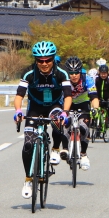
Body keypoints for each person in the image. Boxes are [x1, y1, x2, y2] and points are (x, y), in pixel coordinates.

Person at [13, 41, 71, 198]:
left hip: (54, 106)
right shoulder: (29, 73)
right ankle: (28, 179)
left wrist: (65, 113)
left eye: (48, 60)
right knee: (28, 145)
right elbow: (19, 95)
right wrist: (18, 110)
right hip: (35, 107)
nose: (44, 64)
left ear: (53, 59)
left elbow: (68, 96)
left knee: (58, 119)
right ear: (36, 60)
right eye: (40, 60)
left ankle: (55, 149)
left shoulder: (61, 73)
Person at [62, 56, 96, 170]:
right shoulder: (64, 80)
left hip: (83, 105)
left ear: (80, 71)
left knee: (84, 127)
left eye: (76, 72)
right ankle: (65, 149)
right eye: (71, 73)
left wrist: (95, 108)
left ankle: (83, 154)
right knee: (65, 124)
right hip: (68, 105)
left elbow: (94, 96)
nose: (74, 75)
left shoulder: (87, 79)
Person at [93, 63, 109, 134]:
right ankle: (95, 122)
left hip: (108, 97)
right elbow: (92, 88)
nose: (103, 75)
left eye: (105, 73)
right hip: (98, 96)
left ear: (107, 73)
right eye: (102, 73)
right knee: (95, 109)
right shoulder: (95, 78)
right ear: (99, 73)